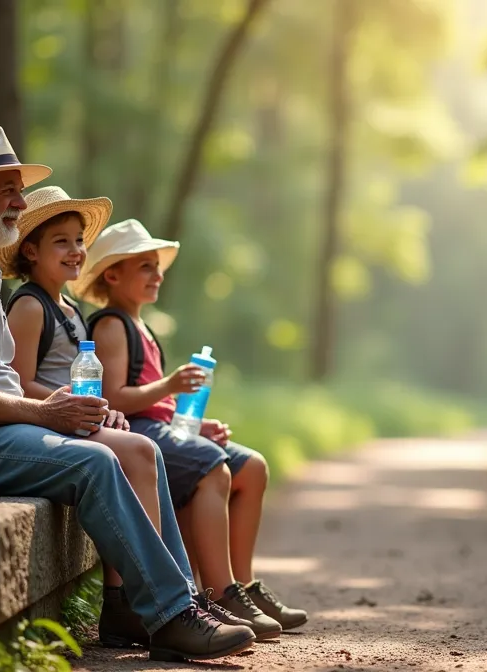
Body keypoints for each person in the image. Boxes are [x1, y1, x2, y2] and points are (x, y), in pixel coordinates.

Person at [0, 125, 253, 662]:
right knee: (95, 463)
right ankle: (173, 615)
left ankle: (148, 604)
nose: (19, 202)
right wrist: (49, 412)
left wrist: (66, 414)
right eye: (8, 189)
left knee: (139, 449)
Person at [0, 185, 253, 647]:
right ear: (29, 251)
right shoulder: (30, 305)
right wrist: (73, 405)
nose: (75, 251)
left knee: (141, 452)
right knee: (139, 452)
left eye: (78, 240)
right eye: (61, 242)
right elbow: (16, 384)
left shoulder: (69, 308)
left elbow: (84, 381)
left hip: (76, 419)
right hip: (44, 424)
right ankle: (154, 604)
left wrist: (101, 408)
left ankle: (140, 601)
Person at [71, 219, 309, 641]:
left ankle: (244, 585)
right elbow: (114, 398)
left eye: (158, 267)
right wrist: (171, 384)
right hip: (136, 430)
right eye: (145, 266)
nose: (157, 275)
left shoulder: (142, 327)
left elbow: (156, 402)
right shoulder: (110, 325)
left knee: (252, 467)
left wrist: (196, 425)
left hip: (160, 426)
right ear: (112, 274)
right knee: (212, 467)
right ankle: (219, 592)